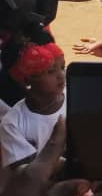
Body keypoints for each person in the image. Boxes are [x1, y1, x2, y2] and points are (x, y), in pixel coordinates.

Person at [0, 39, 64, 169]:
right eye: (51, 71)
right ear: (27, 80)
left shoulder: (75, 99)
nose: (61, 75)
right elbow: (27, 174)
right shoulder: (12, 123)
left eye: (62, 67)